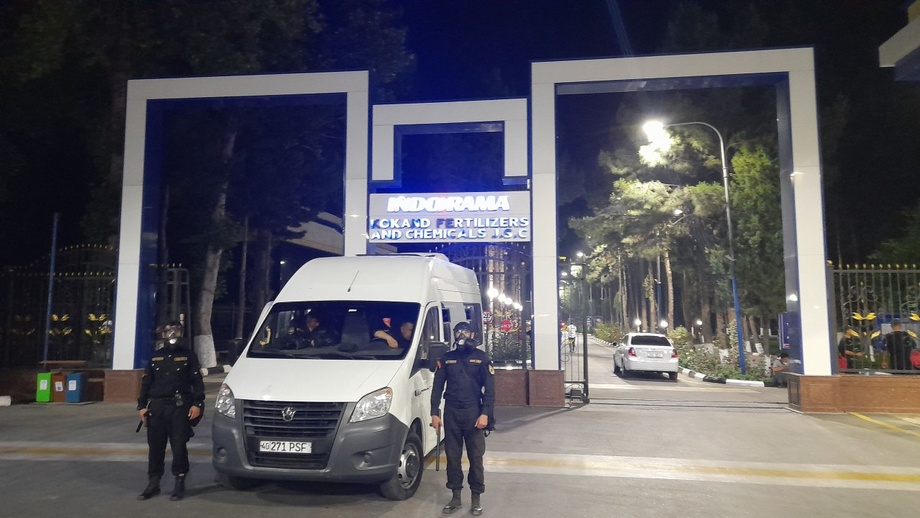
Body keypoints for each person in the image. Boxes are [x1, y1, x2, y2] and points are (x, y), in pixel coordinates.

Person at [430, 321, 495, 516]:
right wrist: (434, 412)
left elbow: (490, 390)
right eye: (458, 331)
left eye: (465, 331)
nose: (461, 335)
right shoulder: (446, 358)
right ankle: (455, 497)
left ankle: (476, 498)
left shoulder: (482, 358)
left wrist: (485, 414)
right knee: (452, 457)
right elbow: (437, 387)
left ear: (472, 334)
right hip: (451, 412)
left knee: (475, 457)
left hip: (473, 412)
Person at [136, 321, 205, 501]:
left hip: (179, 407)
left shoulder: (189, 356)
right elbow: (146, 383)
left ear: (181, 333)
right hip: (157, 407)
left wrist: (197, 404)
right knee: (155, 447)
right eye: (169, 332)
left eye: (176, 332)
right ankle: (153, 482)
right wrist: (142, 406)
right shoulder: (155, 356)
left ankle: (179, 481)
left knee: (179, 445)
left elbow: (197, 382)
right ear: (163, 335)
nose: (172, 335)